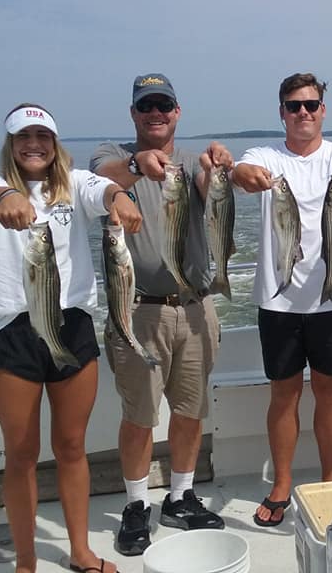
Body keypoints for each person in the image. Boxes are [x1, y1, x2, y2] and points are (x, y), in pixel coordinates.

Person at [0, 103, 141, 573]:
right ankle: (26, 561)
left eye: (42, 135)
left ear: (55, 143)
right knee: (20, 453)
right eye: (24, 136)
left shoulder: (73, 184)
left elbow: (101, 188)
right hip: (14, 330)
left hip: (72, 324)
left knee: (71, 447)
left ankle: (80, 551)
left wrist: (119, 196)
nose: (33, 144)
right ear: (11, 144)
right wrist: (4, 197)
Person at [232, 72, 332, 526]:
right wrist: (242, 174)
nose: (302, 112)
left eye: (310, 105)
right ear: (281, 111)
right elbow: (241, 172)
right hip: (278, 299)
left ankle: (329, 477)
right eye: (293, 106)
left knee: (328, 389)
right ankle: (282, 482)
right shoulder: (265, 156)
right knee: (283, 395)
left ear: (323, 109)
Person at [89, 73, 234, 555]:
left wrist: (217, 165)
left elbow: (209, 185)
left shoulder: (191, 162)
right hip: (139, 310)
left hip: (195, 308)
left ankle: (180, 496)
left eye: (164, 105)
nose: (156, 113)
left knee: (191, 410)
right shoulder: (110, 155)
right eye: (146, 105)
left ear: (177, 112)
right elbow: (104, 177)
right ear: (134, 113)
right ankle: (135, 505)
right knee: (139, 416)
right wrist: (136, 165)